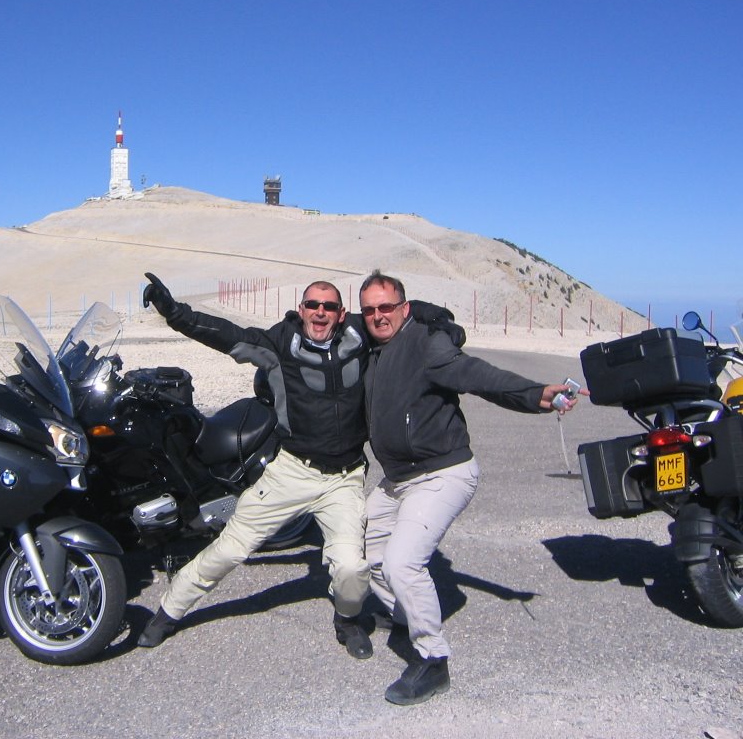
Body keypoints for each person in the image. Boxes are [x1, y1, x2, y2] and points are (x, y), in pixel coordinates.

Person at [357, 269, 583, 706]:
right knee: (370, 555)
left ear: (404, 309)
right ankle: (406, 616)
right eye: (371, 310)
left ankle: (433, 660)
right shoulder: (373, 348)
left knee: (403, 563)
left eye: (388, 307)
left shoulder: (425, 343)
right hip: (397, 479)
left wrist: (535, 394)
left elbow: (477, 375)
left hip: (443, 472)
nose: (379, 316)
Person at [137, 272, 374, 659]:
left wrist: (442, 322)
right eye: (312, 305)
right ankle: (169, 611)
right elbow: (227, 335)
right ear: (301, 310)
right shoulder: (281, 344)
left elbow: (400, 315)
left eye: (329, 306)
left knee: (350, 567)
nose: (320, 312)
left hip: (344, 478)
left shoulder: (359, 336)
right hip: (292, 470)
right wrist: (175, 313)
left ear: (341, 313)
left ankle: (347, 620)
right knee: (230, 549)